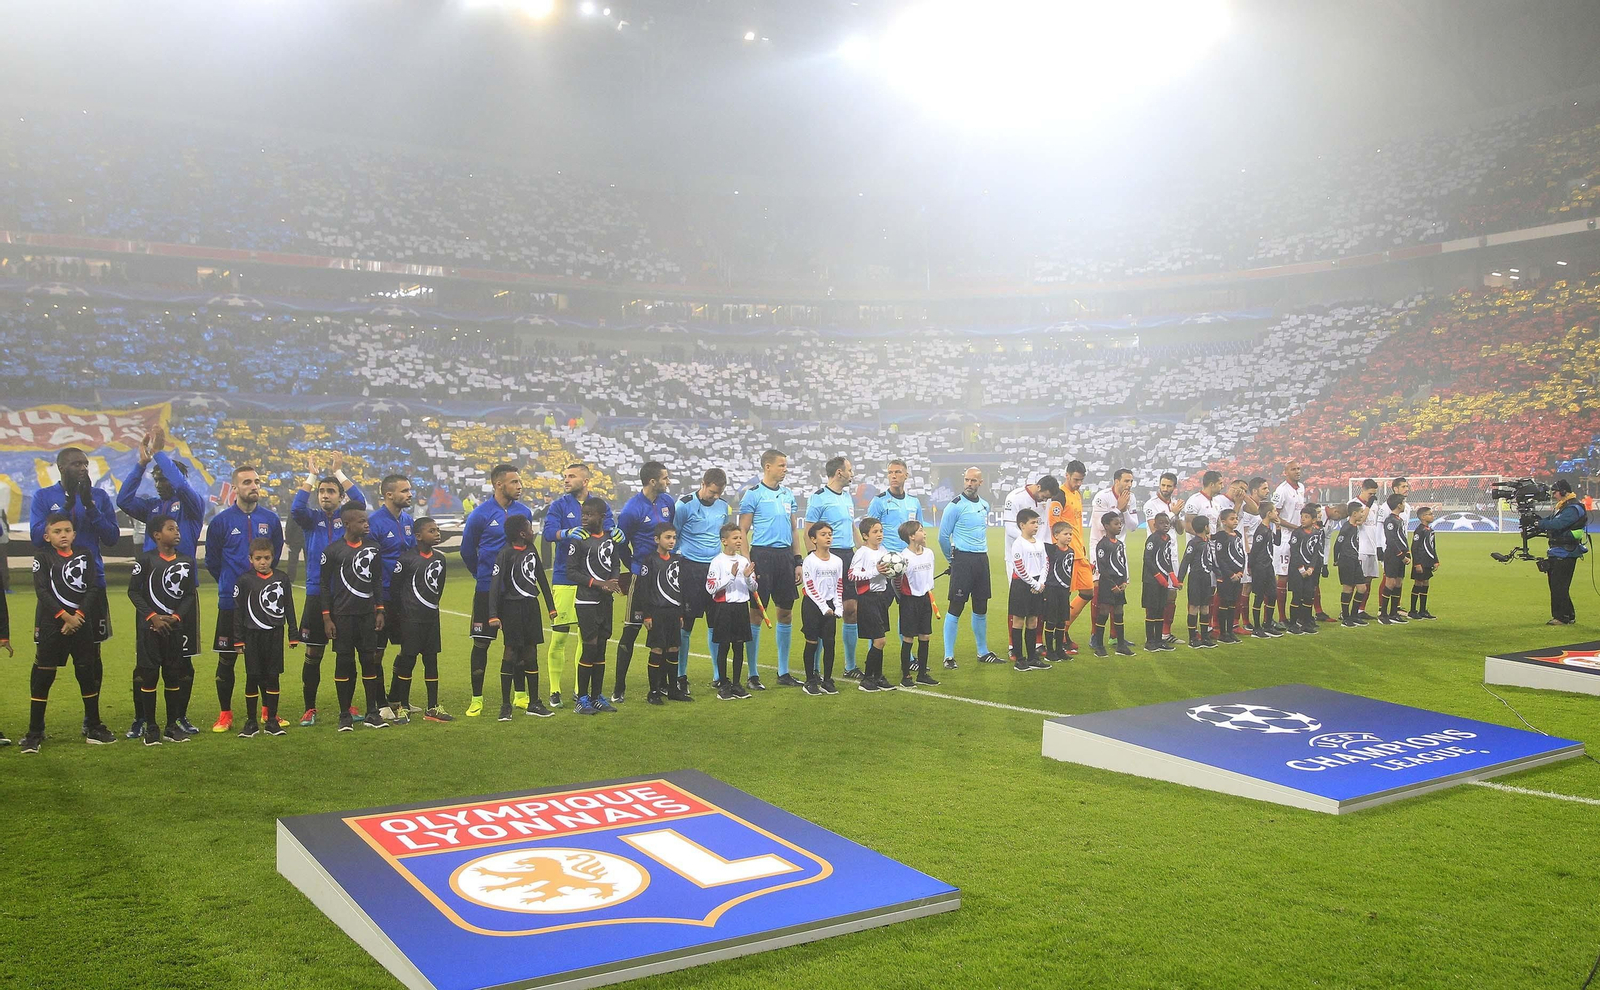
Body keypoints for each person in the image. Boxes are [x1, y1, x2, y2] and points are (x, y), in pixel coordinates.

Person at [119, 438, 208, 741]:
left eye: (162, 477)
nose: (157, 483)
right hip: (150, 595)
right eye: (154, 478)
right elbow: (124, 499)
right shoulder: (155, 511)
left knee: (182, 660)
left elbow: (180, 486)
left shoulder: (192, 504)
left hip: (182, 594)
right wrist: (142, 464)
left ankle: (178, 717)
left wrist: (159, 455)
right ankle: (142, 718)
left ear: (177, 477)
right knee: (145, 662)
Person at [21, 514, 116, 753]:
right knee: (43, 676)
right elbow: (42, 591)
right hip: (53, 624)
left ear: (74, 534)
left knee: (87, 673)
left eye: (67, 530)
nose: (62, 535)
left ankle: (94, 727)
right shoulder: (42, 557)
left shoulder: (85, 554)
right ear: (47, 536)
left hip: (82, 623)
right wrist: (65, 617)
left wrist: (79, 616)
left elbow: (93, 587)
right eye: (57, 531)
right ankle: (34, 731)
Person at [203, 465, 283, 733]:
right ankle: (225, 713)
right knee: (227, 658)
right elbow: (212, 561)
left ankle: (266, 711)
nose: (254, 486)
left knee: (263, 659)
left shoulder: (270, 520)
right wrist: (231, 584)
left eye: (257, 481)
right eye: (247, 482)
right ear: (235, 488)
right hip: (232, 602)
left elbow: (276, 553)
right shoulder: (221, 522)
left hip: (263, 605)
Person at [30, 449, 119, 681]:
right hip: (54, 588)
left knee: (92, 653)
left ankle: (93, 717)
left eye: (85, 464)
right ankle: (37, 718)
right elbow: (37, 538)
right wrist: (66, 506)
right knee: (46, 653)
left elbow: (112, 538)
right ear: (61, 467)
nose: (82, 468)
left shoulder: (98, 496)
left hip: (92, 585)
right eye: (76, 464)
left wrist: (90, 506)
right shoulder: (43, 497)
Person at [290, 454, 365, 726]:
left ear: (340, 496)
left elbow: (361, 502)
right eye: (321, 491)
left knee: (346, 653)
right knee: (314, 653)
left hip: (346, 596)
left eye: (331, 491)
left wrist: (339, 472)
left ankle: (349, 704)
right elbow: (297, 508)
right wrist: (311, 476)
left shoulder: (348, 519)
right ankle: (310, 708)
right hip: (316, 594)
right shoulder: (311, 519)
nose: (324, 495)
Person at [460, 463, 534, 716]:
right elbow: (467, 550)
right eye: (514, 482)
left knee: (518, 644)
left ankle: (521, 695)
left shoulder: (524, 512)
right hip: (487, 590)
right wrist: (481, 576)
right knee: (481, 644)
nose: (520, 486)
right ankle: (477, 698)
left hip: (516, 592)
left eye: (519, 481)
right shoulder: (480, 514)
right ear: (498, 484)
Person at [542, 463, 618, 709]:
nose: (566, 480)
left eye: (571, 476)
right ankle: (554, 689)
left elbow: (611, 532)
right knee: (560, 636)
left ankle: (580, 691)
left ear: (585, 481)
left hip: (596, 583)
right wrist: (568, 533)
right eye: (565, 476)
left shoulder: (598, 506)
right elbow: (548, 533)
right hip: (566, 578)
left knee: (588, 640)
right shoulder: (559, 505)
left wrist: (617, 534)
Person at [126, 515, 200, 746]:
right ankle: (151, 727)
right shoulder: (146, 560)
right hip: (150, 629)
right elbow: (133, 591)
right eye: (171, 529)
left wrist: (176, 617)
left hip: (174, 629)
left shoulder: (187, 561)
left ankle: (170, 726)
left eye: (177, 528)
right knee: (149, 676)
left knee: (172, 674)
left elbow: (188, 595)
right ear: (157, 535)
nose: (177, 532)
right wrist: (153, 617)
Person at [319, 504, 386, 731]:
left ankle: (372, 712)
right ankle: (344, 714)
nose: (366, 524)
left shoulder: (374, 548)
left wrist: (380, 610)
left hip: (367, 615)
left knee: (369, 661)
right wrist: (327, 618)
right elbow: (324, 586)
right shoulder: (332, 551)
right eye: (361, 521)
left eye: (367, 520)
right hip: (343, 616)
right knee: (344, 662)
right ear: (347, 524)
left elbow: (376, 581)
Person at [486, 514, 558, 720]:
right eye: (530, 527)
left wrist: (550, 607)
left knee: (531, 653)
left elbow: (542, 580)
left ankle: (534, 702)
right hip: (511, 608)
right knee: (510, 652)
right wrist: (493, 615)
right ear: (521, 533)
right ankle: (505, 705)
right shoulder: (505, 554)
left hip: (531, 607)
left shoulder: (532, 551)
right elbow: (494, 585)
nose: (533, 531)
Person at [738, 449, 799, 690]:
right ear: (767, 467)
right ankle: (753, 674)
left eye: (786, 465)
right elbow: (742, 530)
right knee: (756, 614)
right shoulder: (753, 495)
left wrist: (797, 561)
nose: (785, 469)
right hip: (761, 556)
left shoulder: (788, 494)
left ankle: (783, 672)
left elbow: (794, 530)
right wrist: (747, 562)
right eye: (781, 465)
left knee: (785, 613)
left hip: (785, 557)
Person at [614, 461, 675, 702]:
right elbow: (621, 543)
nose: (668, 482)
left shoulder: (668, 503)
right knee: (631, 631)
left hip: (664, 577)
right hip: (641, 578)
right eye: (665, 478)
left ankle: (659, 685)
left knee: (660, 632)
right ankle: (619, 687)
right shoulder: (632, 509)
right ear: (652, 481)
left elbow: (671, 533)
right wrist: (633, 568)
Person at [232, 537, 300, 738]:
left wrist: (293, 634)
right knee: (252, 677)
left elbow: (289, 606)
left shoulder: (281, 578)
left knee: (273, 676)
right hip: (252, 635)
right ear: (250, 559)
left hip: (274, 634)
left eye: (267, 558)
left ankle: (271, 720)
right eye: (258, 558)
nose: (263, 562)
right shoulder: (244, 580)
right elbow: (238, 611)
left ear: (273, 558)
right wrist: (238, 639)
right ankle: (251, 722)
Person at [804, 456, 863, 677]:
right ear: (839, 472)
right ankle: (816, 670)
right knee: (823, 612)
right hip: (827, 557)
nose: (852, 473)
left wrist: (863, 552)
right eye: (850, 469)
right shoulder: (818, 498)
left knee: (851, 610)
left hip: (847, 556)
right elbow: (808, 531)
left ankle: (850, 666)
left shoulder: (848, 497)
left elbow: (852, 527)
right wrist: (814, 560)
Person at [673, 468, 730, 697]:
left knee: (715, 624)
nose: (715, 497)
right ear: (703, 483)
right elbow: (674, 535)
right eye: (712, 492)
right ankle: (680, 675)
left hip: (714, 569)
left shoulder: (723, 507)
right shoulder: (684, 505)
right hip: (690, 568)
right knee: (686, 624)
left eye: (719, 493)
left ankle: (718, 674)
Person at [389, 517, 452, 721]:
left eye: (437, 529)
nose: (437, 533)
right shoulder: (406, 560)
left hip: (431, 618)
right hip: (410, 619)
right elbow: (395, 590)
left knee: (431, 660)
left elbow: (439, 588)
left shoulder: (440, 559)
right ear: (418, 536)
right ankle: (402, 707)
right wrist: (401, 617)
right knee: (408, 661)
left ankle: (432, 708)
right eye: (431, 531)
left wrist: (430, 607)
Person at [938, 466, 1002, 667]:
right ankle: (948, 656)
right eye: (966, 480)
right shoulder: (955, 505)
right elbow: (942, 537)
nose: (969, 484)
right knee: (956, 607)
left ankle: (982, 652)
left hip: (981, 559)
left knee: (981, 607)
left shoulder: (985, 505)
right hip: (963, 560)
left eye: (973, 481)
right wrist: (952, 560)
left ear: (980, 483)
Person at [368, 473, 417, 718]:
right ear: (389, 495)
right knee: (378, 650)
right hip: (383, 596)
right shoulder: (374, 522)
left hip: (405, 596)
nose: (410, 494)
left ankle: (397, 698)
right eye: (404, 490)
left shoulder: (408, 519)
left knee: (409, 647)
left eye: (409, 490)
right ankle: (380, 702)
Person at [573, 497, 623, 715]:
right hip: (586, 600)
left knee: (602, 646)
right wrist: (599, 584)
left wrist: (613, 582)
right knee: (590, 646)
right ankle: (581, 698)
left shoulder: (611, 539)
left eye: (589, 514)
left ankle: (596, 697)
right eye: (583, 514)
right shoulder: (579, 540)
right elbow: (571, 572)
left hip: (605, 600)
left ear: (602, 517)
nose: (584, 517)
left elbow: (614, 564)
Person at [707, 522, 759, 701]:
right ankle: (723, 685)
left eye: (740, 538)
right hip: (724, 607)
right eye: (735, 538)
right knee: (724, 646)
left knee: (739, 646)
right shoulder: (717, 561)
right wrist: (730, 576)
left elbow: (753, 587)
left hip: (741, 607)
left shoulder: (744, 561)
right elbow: (710, 587)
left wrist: (746, 577)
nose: (739, 541)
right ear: (724, 541)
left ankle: (736, 684)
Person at [636, 522, 685, 705]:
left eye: (673, 537)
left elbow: (679, 588)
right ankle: (654, 691)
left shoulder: (677, 560)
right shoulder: (649, 560)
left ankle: (673, 689)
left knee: (673, 649)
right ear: (657, 539)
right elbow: (644, 589)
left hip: (673, 612)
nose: (671, 541)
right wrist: (646, 615)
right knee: (657, 649)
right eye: (667, 537)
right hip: (657, 612)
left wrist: (680, 613)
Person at [848, 516, 897, 693]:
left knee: (880, 638)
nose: (879, 534)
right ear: (865, 535)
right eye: (875, 531)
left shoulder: (883, 550)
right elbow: (852, 575)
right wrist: (874, 571)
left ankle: (878, 676)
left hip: (881, 598)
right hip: (867, 598)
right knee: (880, 640)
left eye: (881, 531)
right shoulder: (862, 552)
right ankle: (867, 679)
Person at [800, 521, 844, 696]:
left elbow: (838, 584)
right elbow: (810, 586)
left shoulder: (837, 561)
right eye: (823, 534)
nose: (828, 537)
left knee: (830, 643)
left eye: (830, 534)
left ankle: (827, 680)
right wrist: (823, 606)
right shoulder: (810, 561)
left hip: (830, 606)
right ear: (813, 539)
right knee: (812, 642)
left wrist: (838, 605)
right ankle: (810, 680)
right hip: (812, 605)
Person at [895, 520, 939, 687]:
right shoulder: (902, 558)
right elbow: (896, 582)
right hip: (909, 600)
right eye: (921, 530)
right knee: (908, 638)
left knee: (925, 636)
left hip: (925, 598)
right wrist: (904, 598)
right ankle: (906, 676)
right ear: (911, 536)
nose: (924, 533)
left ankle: (922, 674)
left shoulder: (929, 553)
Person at [1537, 480, 1587, 625]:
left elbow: (1558, 524)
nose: (1553, 495)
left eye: (1555, 492)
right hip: (1559, 551)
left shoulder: (1572, 508)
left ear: (1564, 491)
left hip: (1566, 552)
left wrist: (1538, 524)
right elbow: (1551, 520)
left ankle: (1561, 617)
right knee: (1559, 585)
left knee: (1559, 585)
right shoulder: (1563, 506)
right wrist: (1538, 521)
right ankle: (1568, 615)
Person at [1006, 508, 1049, 671]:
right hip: (1022, 585)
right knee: (1019, 621)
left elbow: (1046, 562)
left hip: (1038, 583)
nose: (1036, 526)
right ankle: (1020, 659)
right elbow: (1018, 567)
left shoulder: (1039, 542)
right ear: (1022, 525)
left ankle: (1032, 657)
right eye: (1032, 523)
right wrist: (1034, 584)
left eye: (1037, 522)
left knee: (1033, 620)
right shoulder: (1018, 543)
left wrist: (1041, 582)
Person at [1142, 472, 1181, 641]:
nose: (1165, 489)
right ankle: (1154, 635)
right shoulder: (1151, 505)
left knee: (1172, 593)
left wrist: (1176, 515)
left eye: (1169, 486)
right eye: (1163, 485)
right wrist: (1171, 514)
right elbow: (1153, 529)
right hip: (1156, 557)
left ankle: (1165, 633)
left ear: (1174, 487)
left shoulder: (1174, 504)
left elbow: (1180, 530)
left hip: (1172, 554)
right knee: (1156, 595)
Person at [1270, 460, 1309, 626]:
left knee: (1300, 575)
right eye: (1293, 469)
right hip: (1285, 538)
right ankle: (1282, 617)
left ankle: (1299, 614)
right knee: (1283, 576)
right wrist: (1295, 527)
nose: (1297, 471)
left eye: (1299, 468)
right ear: (1285, 472)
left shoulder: (1302, 488)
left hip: (1299, 538)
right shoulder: (1281, 490)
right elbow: (1274, 516)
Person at [1093, 510, 1135, 656]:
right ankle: (1099, 645)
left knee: (1119, 612)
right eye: (1116, 523)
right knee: (1104, 611)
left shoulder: (1120, 544)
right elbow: (1102, 567)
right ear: (1106, 526)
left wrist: (1124, 581)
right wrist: (1112, 585)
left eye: (1120, 523)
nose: (1119, 526)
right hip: (1107, 582)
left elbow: (1122, 564)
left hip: (1119, 582)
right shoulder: (1102, 545)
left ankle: (1121, 645)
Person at [1177, 515, 1216, 649]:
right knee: (1194, 607)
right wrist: (1180, 580)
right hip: (1195, 578)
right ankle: (1193, 638)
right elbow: (1186, 560)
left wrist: (1219, 575)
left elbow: (1211, 560)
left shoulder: (1207, 542)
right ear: (1205, 527)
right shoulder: (1193, 543)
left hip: (1206, 578)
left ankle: (1205, 637)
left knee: (1205, 606)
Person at [1140, 513, 1178, 652]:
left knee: (1161, 609)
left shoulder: (1167, 538)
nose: (1165, 525)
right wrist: (1159, 577)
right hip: (1151, 581)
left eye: (1167, 523)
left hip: (1163, 581)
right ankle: (1149, 642)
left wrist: (1173, 578)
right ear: (1155, 525)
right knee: (1152, 609)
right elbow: (1148, 559)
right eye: (1162, 523)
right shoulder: (1153, 539)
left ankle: (1158, 639)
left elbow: (1165, 559)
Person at [1286, 505, 1324, 635]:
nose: (1303, 519)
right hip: (1297, 570)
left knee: (1308, 595)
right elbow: (1294, 552)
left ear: (1314, 520)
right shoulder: (1297, 533)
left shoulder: (1317, 533)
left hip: (1309, 570)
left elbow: (1316, 553)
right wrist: (1302, 569)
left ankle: (1306, 622)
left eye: (1306, 517)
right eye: (1302, 517)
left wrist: (1312, 568)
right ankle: (1293, 624)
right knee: (1297, 596)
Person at [1248, 505, 1285, 638]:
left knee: (1272, 595)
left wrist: (1279, 527)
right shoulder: (1261, 531)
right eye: (1275, 511)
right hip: (1260, 567)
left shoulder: (1268, 529)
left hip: (1268, 567)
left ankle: (1268, 625)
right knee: (1259, 597)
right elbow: (1255, 550)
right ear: (1269, 513)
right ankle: (1257, 628)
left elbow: (1278, 542)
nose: (1277, 513)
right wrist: (1250, 566)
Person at [1045, 520, 1079, 659]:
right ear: (1056, 535)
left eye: (1070, 534)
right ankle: (1049, 651)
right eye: (1066, 534)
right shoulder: (1051, 549)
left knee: (1062, 620)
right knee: (1051, 620)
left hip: (1064, 590)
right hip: (1052, 589)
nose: (1069, 536)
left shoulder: (1071, 551)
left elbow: (1068, 570)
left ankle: (1059, 649)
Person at [1213, 509, 1246, 645]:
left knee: (1233, 603)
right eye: (1232, 519)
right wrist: (1231, 574)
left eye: (1236, 518)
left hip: (1237, 575)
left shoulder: (1237, 535)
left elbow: (1241, 554)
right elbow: (1220, 558)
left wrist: (1240, 572)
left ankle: (1230, 630)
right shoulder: (1221, 536)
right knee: (1224, 602)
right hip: (1227, 576)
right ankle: (1223, 632)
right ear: (1224, 521)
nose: (1235, 521)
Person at [1379, 493, 1411, 625]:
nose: (1404, 505)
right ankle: (1383, 614)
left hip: (1401, 555)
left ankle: (1394, 613)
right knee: (1390, 583)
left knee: (1398, 583)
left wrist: (1407, 552)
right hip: (1392, 556)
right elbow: (1391, 541)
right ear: (1398, 505)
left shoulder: (1399, 520)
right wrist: (1401, 556)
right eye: (1403, 503)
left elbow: (1402, 538)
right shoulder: (1390, 520)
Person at [1335, 501, 1367, 627]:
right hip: (1346, 560)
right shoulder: (1346, 527)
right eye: (1361, 512)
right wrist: (1336, 559)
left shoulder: (1354, 526)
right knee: (1347, 588)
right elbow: (1338, 543)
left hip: (1354, 560)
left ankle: (1354, 615)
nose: (1362, 514)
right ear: (1354, 514)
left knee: (1362, 588)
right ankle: (1346, 617)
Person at [1354, 479, 1381, 623]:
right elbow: (1359, 522)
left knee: (1369, 579)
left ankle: (1361, 609)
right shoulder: (1353, 504)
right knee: (1357, 580)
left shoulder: (1375, 506)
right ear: (1362, 489)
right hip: (1360, 548)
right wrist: (1368, 506)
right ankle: (1349, 611)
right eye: (1370, 493)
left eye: (1374, 494)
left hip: (1372, 547)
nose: (1372, 496)